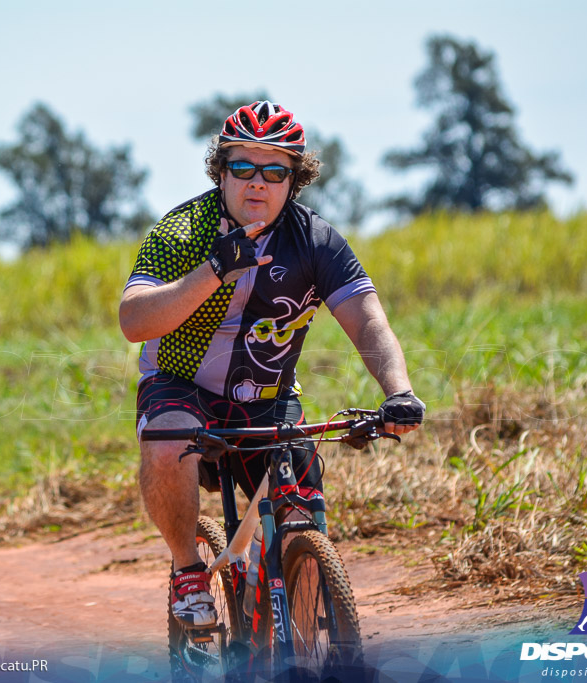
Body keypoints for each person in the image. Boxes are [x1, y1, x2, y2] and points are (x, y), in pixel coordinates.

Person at [119, 101, 425, 629]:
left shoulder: (316, 241)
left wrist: (398, 391)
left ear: (294, 180)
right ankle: (189, 572)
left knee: (301, 512)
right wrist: (216, 268)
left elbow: (368, 322)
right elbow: (134, 321)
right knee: (167, 439)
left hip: (268, 397)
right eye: (242, 167)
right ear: (221, 171)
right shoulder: (181, 234)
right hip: (181, 385)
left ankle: (298, 625)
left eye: (274, 170)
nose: (256, 183)